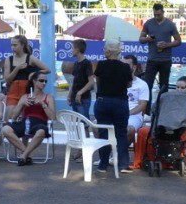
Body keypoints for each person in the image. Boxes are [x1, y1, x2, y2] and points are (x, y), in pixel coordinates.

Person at [92, 40, 135, 172]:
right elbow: (129, 84)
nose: (104, 51)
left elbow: (98, 81)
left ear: (109, 51)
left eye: (105, 49)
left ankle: (103, 164)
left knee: (103, 132)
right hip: (120, 102)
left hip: (103, 100)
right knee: (121, 133)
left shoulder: (101, 65)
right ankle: (123, 164)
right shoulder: (125, 67)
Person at [1, 70, 57, 164]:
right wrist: (21, 104)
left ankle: (23, 156)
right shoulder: (25, 96)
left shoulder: (49, 97)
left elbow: (53, 117)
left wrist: (42, 104)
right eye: (41, 80)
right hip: (25, 122)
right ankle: (26, 153)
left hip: (39, 123)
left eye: (45, 81)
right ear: (34, 81)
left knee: (41, 131)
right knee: (5, 129)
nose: (44, 83)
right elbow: (13, 117)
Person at [140, 4, 181, 92]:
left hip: (165, 60)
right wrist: (148, 38)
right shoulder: (148, 23)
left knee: (164, 86)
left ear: (163, 12)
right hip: (152, 59)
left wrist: (167, 45)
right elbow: (141, 39)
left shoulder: (170, 24)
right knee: (147, 85)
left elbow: (178, 41)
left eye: (158, 15)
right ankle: (147, 105)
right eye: (155, 15)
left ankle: (162, 105)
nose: (156, 17)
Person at [0, 34, 47, 108]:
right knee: (10, 116)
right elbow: (7, 79)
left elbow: (47, 70)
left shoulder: (30, 58)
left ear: (22, 45)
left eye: (15, 45)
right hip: (14, 90)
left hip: (26, 89)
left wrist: (35, 73)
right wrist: (17, 68)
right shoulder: (9, 59)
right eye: (12, 45)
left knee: (24, 113)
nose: (13, 47)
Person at [124, 55, 150, 166]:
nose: (123, 67)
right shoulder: (115, 81)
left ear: (134, 67)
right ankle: (104, 156)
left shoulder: (142, 84)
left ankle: (118, 152)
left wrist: (127, 113)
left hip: (134, 115)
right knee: (96, 126)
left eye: (127, 64)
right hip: (116, 112)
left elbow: (142, 105)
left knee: (129, 130)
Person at [64, 38, 94, 119]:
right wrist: (69, 95)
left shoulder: (87, 63)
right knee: (77, 123)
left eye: (72, 48)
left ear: (77, 50)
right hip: (74, 97)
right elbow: (74, 82)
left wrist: (79, 93)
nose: (71, 50)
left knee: (84, 123)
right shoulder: (76, 64)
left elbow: (91, 82)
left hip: (83, 98)